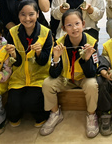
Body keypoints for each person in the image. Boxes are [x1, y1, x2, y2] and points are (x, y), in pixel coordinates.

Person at [40, 9, 99, 138]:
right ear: (63, 28)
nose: (74, 28)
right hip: (65, 78)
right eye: (69, 25)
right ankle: (55, 113)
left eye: (77, 23)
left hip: (83, 78)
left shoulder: (92, 43)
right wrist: (56, 58)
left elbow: (92, 73)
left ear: (83, 24)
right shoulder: (59, 44)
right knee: (47, 84)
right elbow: (53, 74)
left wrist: (87, 59)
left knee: (92, 84)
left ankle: (91, 115)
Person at [6, 0, 53, 128]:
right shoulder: (12, 32)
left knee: (31, 102)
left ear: (37, 14)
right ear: (18, 15)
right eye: (23, 14)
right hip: (19, 77)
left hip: (39, 76)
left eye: (31, 14)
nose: (27, 19)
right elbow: (16, 63)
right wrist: (13, 54)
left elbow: (44, 61)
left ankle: (42, 116)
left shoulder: (46, 32)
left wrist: (38, 53)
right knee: (13, 109)